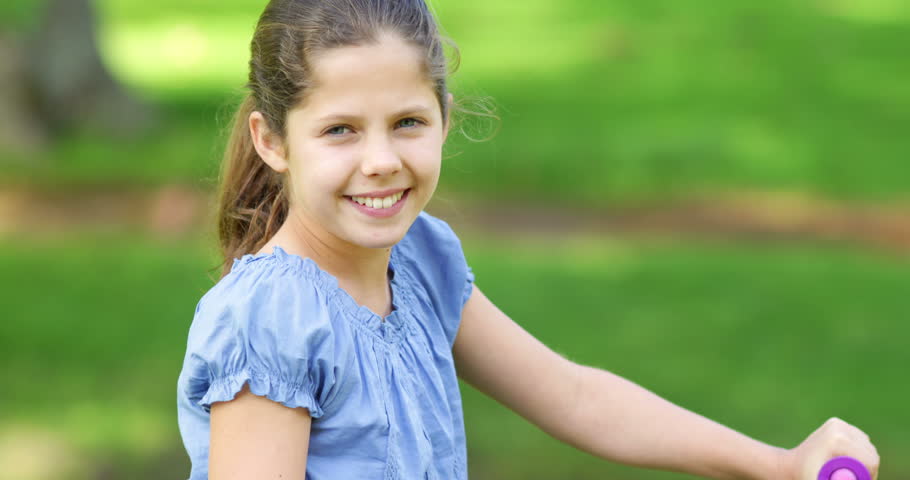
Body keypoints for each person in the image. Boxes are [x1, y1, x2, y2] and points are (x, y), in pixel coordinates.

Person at [176, 0, 881, 479]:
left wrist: (776, 463)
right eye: (340, 130)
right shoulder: (272, 321)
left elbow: (576, 398)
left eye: (408, 123)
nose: (382, 159)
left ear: (446, 118)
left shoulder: (418, 261)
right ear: (272, 141)